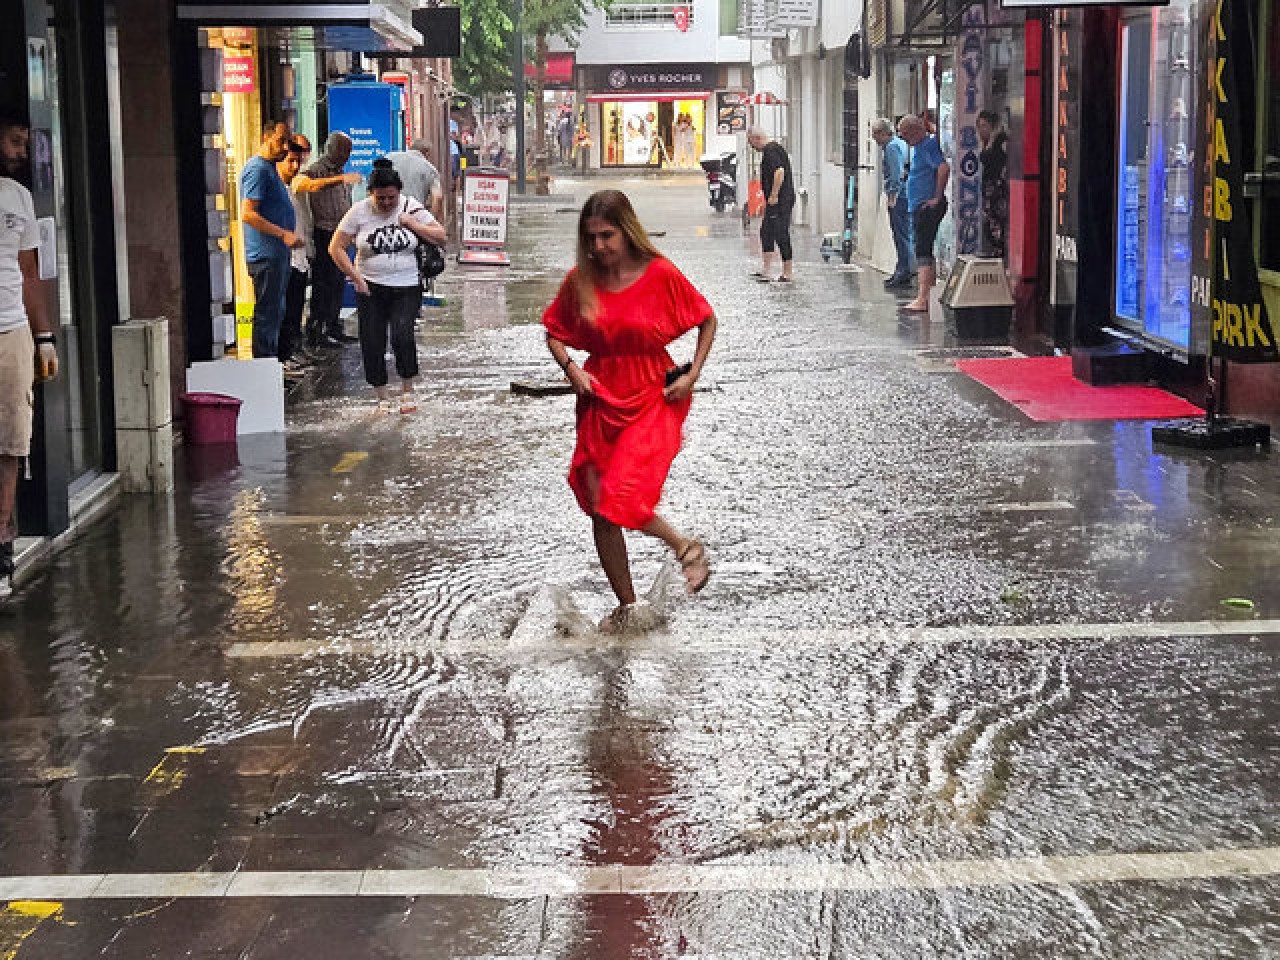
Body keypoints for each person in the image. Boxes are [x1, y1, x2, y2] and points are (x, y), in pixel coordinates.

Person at [541, 190, 717, 631]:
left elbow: (706, 318)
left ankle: (685, 547)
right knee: (601, 508)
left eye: (607, 236)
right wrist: (571, 369)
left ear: (627, 229)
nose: (598, 247)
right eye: (591, 238)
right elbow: (554, 331)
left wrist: (692, 373)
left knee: (624, 494)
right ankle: (628, 606)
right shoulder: (580, 280)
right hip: (599, 396)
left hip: (652, 395)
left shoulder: (659, 274)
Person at [328, 158, 446, 415]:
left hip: (406, 284)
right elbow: (335, 247)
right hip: (370, 286)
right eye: (380, 198)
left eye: (391, 198)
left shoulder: (410, 207)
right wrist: (355, 277)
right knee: (372, 340)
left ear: (399, 193)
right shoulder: (359, 212)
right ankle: (381, 395)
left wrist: (413, 224)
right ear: (371, 194)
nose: (386, 204)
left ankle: (407, 389)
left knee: (402, 335)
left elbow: (440, 235)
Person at [0, 108, 58, 599]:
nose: (22, 154)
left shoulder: (18, 197)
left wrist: (44, 337)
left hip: (11, 332)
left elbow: (29, 274)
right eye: (15, 143)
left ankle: (1, 544)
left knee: (13, 440)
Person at [239, 121, 305, 358]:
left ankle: (273, 364)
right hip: (266, 255)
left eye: (287, 142)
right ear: (266, 138)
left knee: (277, 310)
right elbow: (248, 213)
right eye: (280, 141)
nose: (285, 148)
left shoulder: (269, 168)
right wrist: (283, 233)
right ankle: (265, 365)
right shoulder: (257, 170)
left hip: (276, 254)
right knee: (268, 312)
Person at [300, 132, 362, 346]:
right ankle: (318, 329)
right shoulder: (317, 171)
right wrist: (339, 180)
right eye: (343, 150)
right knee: (323, 283)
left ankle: (334, 326)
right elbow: (311, 185)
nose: (347, 156)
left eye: (349, 151)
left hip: (340, 232)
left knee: (337, 282)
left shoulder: (342, 172)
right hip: (324, 232)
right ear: (331, 149)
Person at [897, 114, 950, 313]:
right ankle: (927, 295)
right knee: (924, 249)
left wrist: (936, 196)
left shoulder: (927, 146)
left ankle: (922, 298)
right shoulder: (920, 147)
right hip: (920, 204)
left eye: (905, 134)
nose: (904, 139)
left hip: (926, 206)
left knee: (922, 250)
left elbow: (943, 168)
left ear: (915, 131)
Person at [277, 134, 313, 368]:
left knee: (295, 308)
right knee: (284, 310)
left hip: (299, 257)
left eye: (299, 161)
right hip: (285, 258)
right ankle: (281, 356)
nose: (295, 166)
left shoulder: (290, 186)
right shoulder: (277, 186)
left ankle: (292, 351)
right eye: (291, 160)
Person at [748, 125, 795, 283]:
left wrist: (774, 195)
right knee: (766, 232)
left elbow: (779, 171)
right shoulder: (773, 149)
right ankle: (766, 270)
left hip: (781, 200)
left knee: (781, 233)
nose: (752, 147)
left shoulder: (771, 150)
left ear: (756, 138)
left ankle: (787, 272)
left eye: (751, 143)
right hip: (774, 201)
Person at [871, 117, 913, 291]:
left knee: (900, 233)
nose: (874, 138)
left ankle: (905, 270)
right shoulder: (899, 144)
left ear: (883, 133)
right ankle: (903, 269)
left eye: (875, 134)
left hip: (900, 195)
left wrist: (892, 195)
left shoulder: (891, 147)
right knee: (904, 233)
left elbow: (896, 172)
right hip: (905, 193)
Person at [977, 109, 1009, 259]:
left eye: (985, 125)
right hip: (989, 188)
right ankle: (997, 250)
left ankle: (1000, 250)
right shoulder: (986, 143)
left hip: (997, 188)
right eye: (980, 126)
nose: (982, 129)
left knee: (996, 221)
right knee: (989, 222)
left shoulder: (1000, 142)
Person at [387, 138, 444, 222]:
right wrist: (430, 222)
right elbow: (437, 197)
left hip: (386, 213)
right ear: (427, 153)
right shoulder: (430, 168)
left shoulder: (390, 157)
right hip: (413, 218)